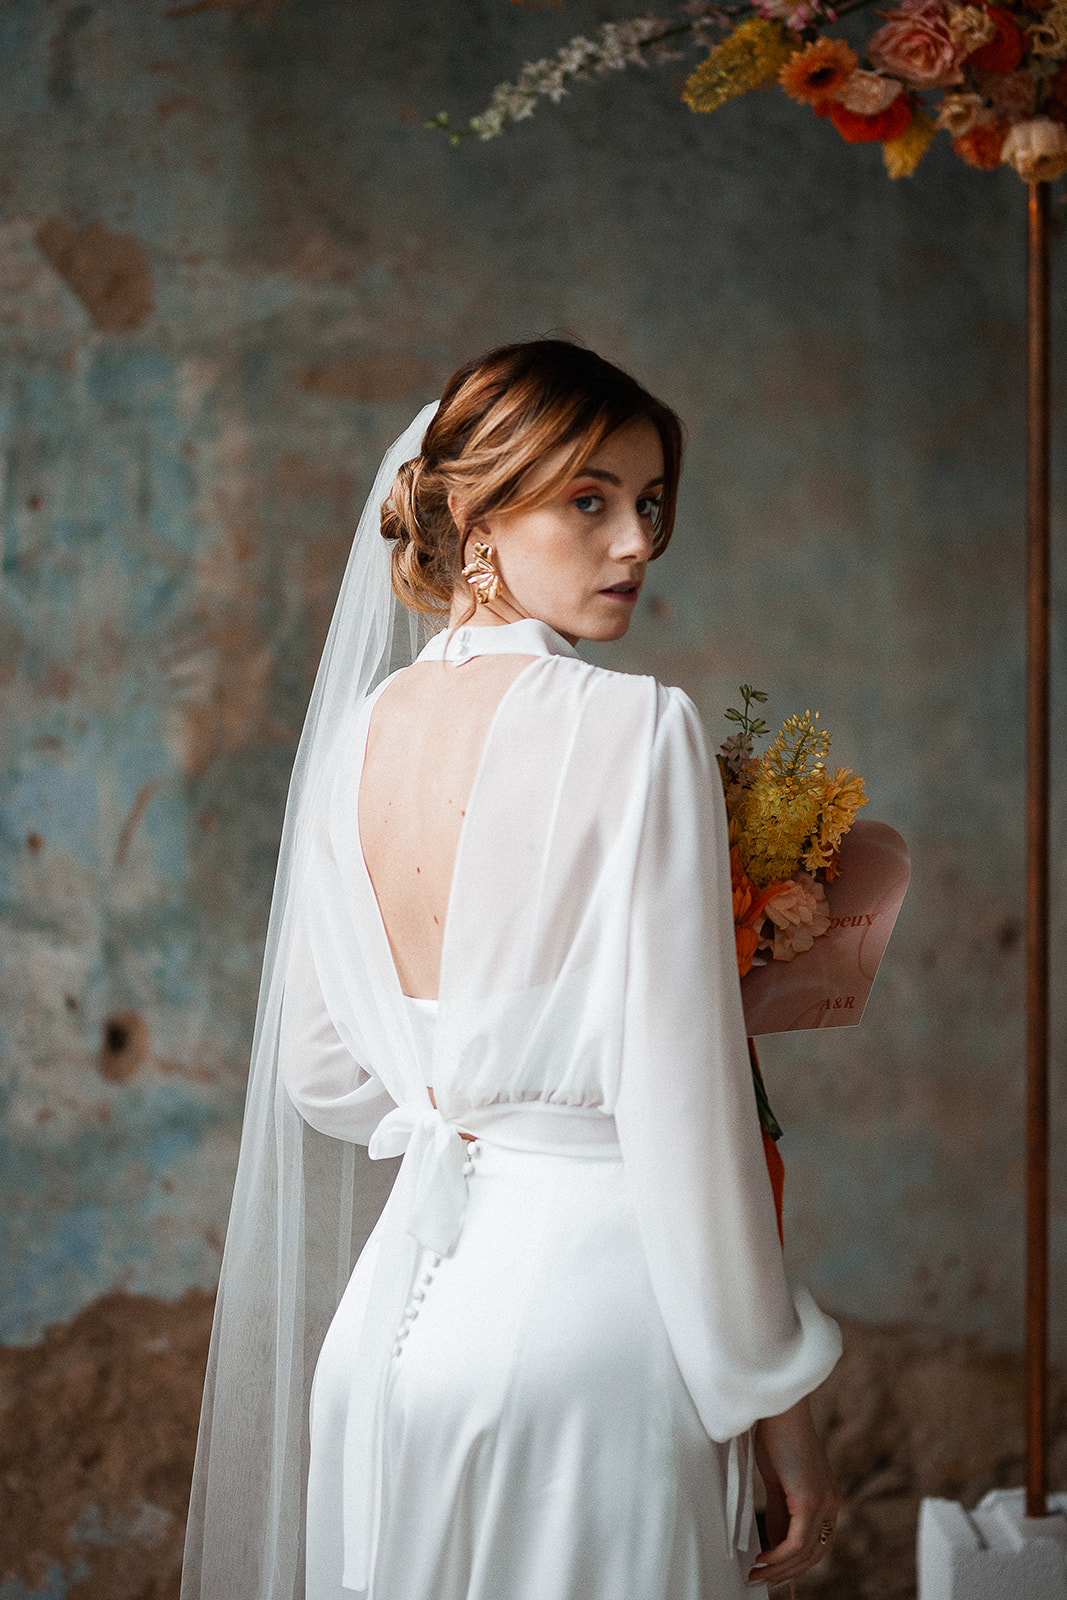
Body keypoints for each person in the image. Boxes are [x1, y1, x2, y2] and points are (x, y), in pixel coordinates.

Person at [181, 339, 843, 1600]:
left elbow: (323, 1072)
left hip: (387, 1341)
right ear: (475, 518)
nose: (636, 541)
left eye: (648, 504)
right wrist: (780, 1409)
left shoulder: (354, 741)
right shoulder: (635, 728)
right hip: (590, 1338)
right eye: (587, 500)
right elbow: (681, 1115)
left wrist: (476, 1108)